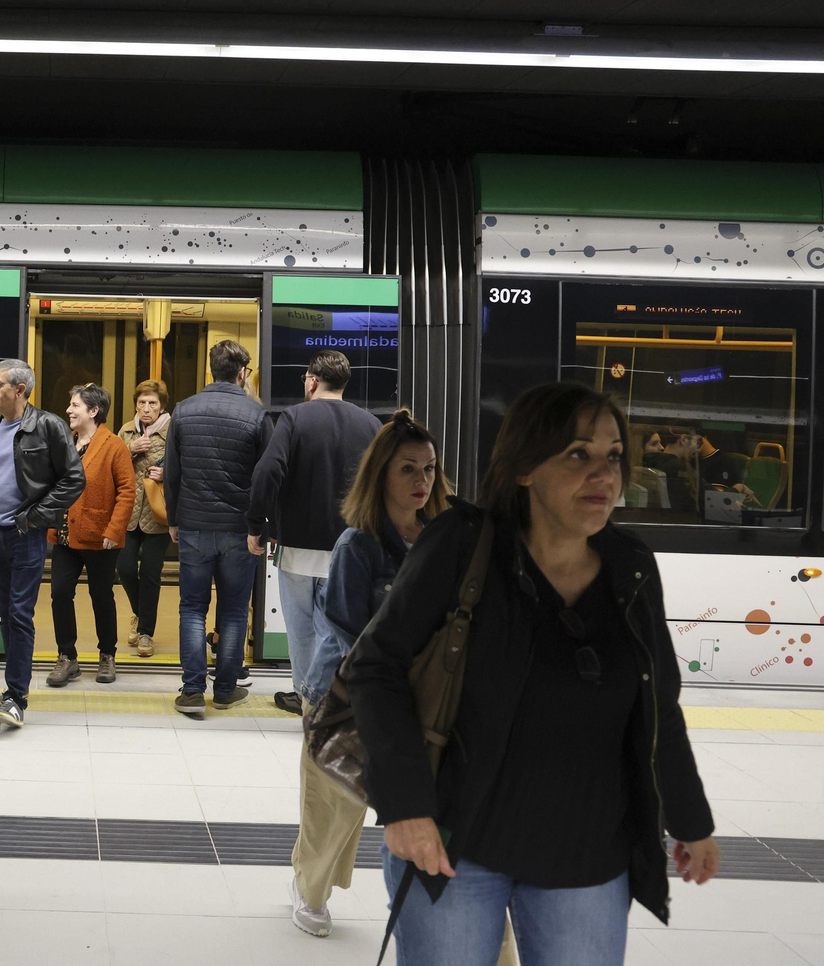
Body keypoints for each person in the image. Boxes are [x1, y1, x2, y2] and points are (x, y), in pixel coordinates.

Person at [346, 382, 720, 966]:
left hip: (587, 858)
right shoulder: (463, 546)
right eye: (578, 454)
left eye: (614, 455)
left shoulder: (631, 568)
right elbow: (375, 668)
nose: (604, 474)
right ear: (523, 469)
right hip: (455, 847)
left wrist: (690, 820)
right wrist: (404, 806)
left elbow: (657, 709)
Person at [288, 410, 450, 939]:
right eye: (408, 469)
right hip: (343, 697)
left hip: (415, 700)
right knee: (333, 808)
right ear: (381, 474)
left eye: (428, 469)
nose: (422, 482)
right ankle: (308, 889)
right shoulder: (358, 546)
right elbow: (344, 634)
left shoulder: (440, 541)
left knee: (391, 802)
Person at [246, 349, 381, 715]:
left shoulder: (294, 418)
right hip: (350, 548)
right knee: (331, 630)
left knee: (301, 630)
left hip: (298, 547)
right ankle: (324, 697)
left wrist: (257, 524)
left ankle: (306, 694)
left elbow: (267, 471)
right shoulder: (372, 426)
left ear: (311, 380)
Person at [0, 359, 84, 728]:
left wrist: (36, 515)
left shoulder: (47, 426)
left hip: (26, 535)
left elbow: (74, 479)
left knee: (19, 613)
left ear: (19, 389)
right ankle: (13, 690)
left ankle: (16, 695)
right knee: (6, 614)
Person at [162, 340, 270, 716]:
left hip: (193, 524)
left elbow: (172, 473)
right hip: (240, 529)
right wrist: (259, 525)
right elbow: (265, 478)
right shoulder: (257, 415)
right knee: (236, 610)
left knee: (192, 607)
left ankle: (192, 690)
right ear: (242, 373)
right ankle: (225, 689)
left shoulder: (184, 410)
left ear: (211, 369)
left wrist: (173, 519)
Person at [47, 383, 134, 687]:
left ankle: (107, 655)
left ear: (93, 411)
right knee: (59, 593)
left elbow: (127, 491)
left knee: (101, 596)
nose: (68, 411)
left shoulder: (114, 446)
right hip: (66, 536)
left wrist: (115, 529)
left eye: (75, 406)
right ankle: (67, 656)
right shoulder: (66, 443)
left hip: (100, 536)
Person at [117, 379, 169, 659]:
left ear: (162, 407)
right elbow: (111, 467)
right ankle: (139, 613)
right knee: (124, 568)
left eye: (152, 404)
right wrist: (129, 450)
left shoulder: (173, 431)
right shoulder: (126, 430)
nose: (147, 409)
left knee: (150, 573)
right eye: (142, 403)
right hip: (128, 512)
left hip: (157, 514)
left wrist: (167, 473)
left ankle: (146, 631)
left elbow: (185, 465)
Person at [640, 424, 698, 514]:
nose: (662, 447)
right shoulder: (673, 466)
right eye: (654, 444)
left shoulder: (640, 468)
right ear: (683, 439)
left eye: (660, 442)